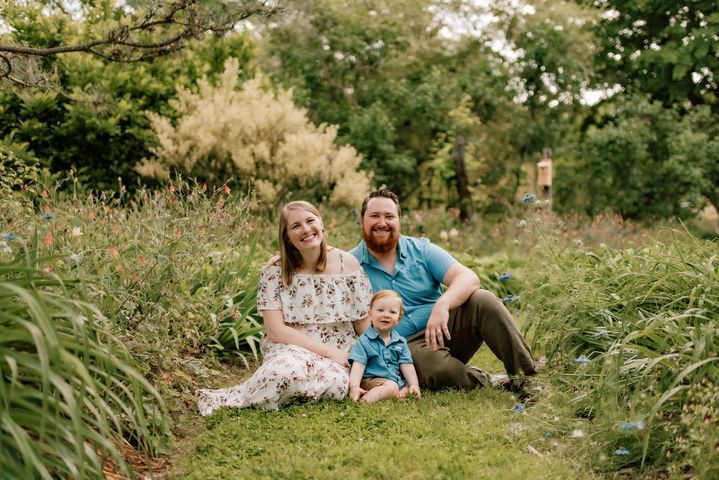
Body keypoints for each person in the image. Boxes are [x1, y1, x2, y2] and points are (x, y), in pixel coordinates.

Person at [349, 190, 538, 396]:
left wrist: (443, 305)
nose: (382, 222)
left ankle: (527, 379)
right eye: (375, 216)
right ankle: (489, 380)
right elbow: (359, 325)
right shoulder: (350, 265)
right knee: (437, 369)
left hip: (443, 327)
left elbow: (468, 277)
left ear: (399, 220)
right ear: (362, 220)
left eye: (389, 216)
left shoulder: (421, 249)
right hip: (404, 346)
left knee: (484, 300)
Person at [196, 201, 372, 414]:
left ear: (321, 224)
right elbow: (276, 330)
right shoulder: (275, 270)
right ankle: (287, 388)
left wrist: (383, 352)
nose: (306, 229)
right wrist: (328, 353)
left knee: (335, 386)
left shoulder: (348, 265)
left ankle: (293, 391)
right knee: (284, 372)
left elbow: (362, 324)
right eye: (296, 226)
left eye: (310, 221)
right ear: (287, 237)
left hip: (338, 350)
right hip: (291, 348)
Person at [348, 290, 421, 404]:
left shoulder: (400, 342)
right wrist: (354, 387)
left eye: (392, 312)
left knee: (406, 386)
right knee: (392, 386)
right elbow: (358, 365)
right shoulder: (364, 341)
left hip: (392, 380)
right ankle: (364, 402)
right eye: (380, 310)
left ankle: (396, 393)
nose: (386, 315)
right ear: (370, 314)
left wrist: (414, 384)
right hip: (370, 380)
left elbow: (407, 365)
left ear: (399, 318)